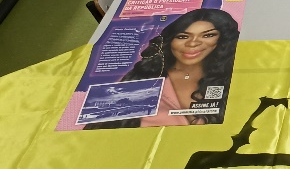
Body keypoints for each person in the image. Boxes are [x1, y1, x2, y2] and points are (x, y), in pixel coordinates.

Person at [84, 8, 239, 129]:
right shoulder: (142, 77)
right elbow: (97, 132)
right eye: (183, 36)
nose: (192, 43)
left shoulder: (232, 77)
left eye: (207, 35)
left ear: (223, 40)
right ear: (170, 41)